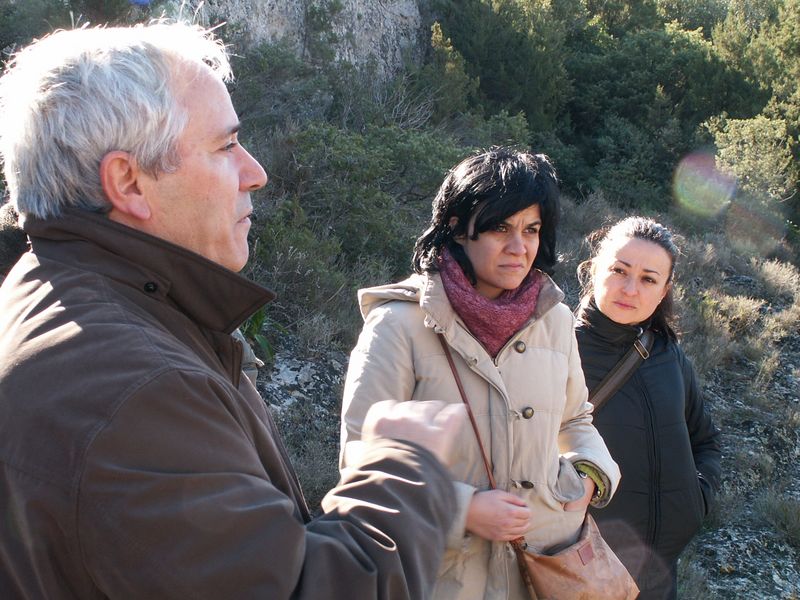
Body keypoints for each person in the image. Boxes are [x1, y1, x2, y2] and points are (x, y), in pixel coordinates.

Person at [0, 21, 467, 598]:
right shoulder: (138, 390)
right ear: (129, 182)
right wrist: (402, 470)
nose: (256, 173)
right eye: (226, 146)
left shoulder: (54, 291)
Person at [340, 147, 621, 599]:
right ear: (456, 228)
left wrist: (588, 477)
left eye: (531, 230)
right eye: (499, 228)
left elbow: (575, 420)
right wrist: (463, 510)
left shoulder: (554, 319)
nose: (519, 247)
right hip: (440, 580)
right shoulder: (398, 324)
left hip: (544, 570)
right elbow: (360, 461)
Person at [575, 216, 722, 599]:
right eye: (619, 271)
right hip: (584, 571)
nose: (630, 289)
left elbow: (706, 440)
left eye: (648, 279)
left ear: (664, 290)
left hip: (660, 574)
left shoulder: (668, 355)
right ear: (595, 268)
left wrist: (696, 500)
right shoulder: (561, 353)